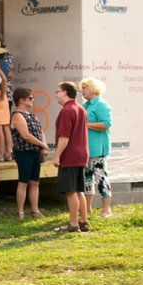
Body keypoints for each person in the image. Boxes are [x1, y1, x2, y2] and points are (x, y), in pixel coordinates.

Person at [53, 81, 89, 233]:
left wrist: (56, 156)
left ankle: (73, 224)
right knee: (79, 190)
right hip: (82, 154)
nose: (56, 94)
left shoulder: (66, 111)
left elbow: (64, 137)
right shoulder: (81, 109)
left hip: (70, 155)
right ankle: (84, 222)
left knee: (71, 191)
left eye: (58, 91)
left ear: (65, 93)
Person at [10, 88, 49, 220]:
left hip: (35, 152)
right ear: (22, 100)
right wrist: (42, 145)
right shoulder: (17, 115)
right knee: (23, 182)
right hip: (24, 152)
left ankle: (35, 210)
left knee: (35, 182)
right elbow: (26, 136)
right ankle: (20, 212)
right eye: (30, 98)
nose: (33, 100)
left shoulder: (32, 115)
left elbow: (40, 131)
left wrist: (43, 145)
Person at [80, 77, 113, 218]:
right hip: (86, 149)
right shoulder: (86, 105)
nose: (82, 91)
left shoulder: (101, 104)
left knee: (101, 179)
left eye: (84, 88)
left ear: (93, 89)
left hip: (98, 149)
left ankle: (107, 210)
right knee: (87, 179)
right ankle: (88, 208)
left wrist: (87, 125)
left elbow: (106, 124)